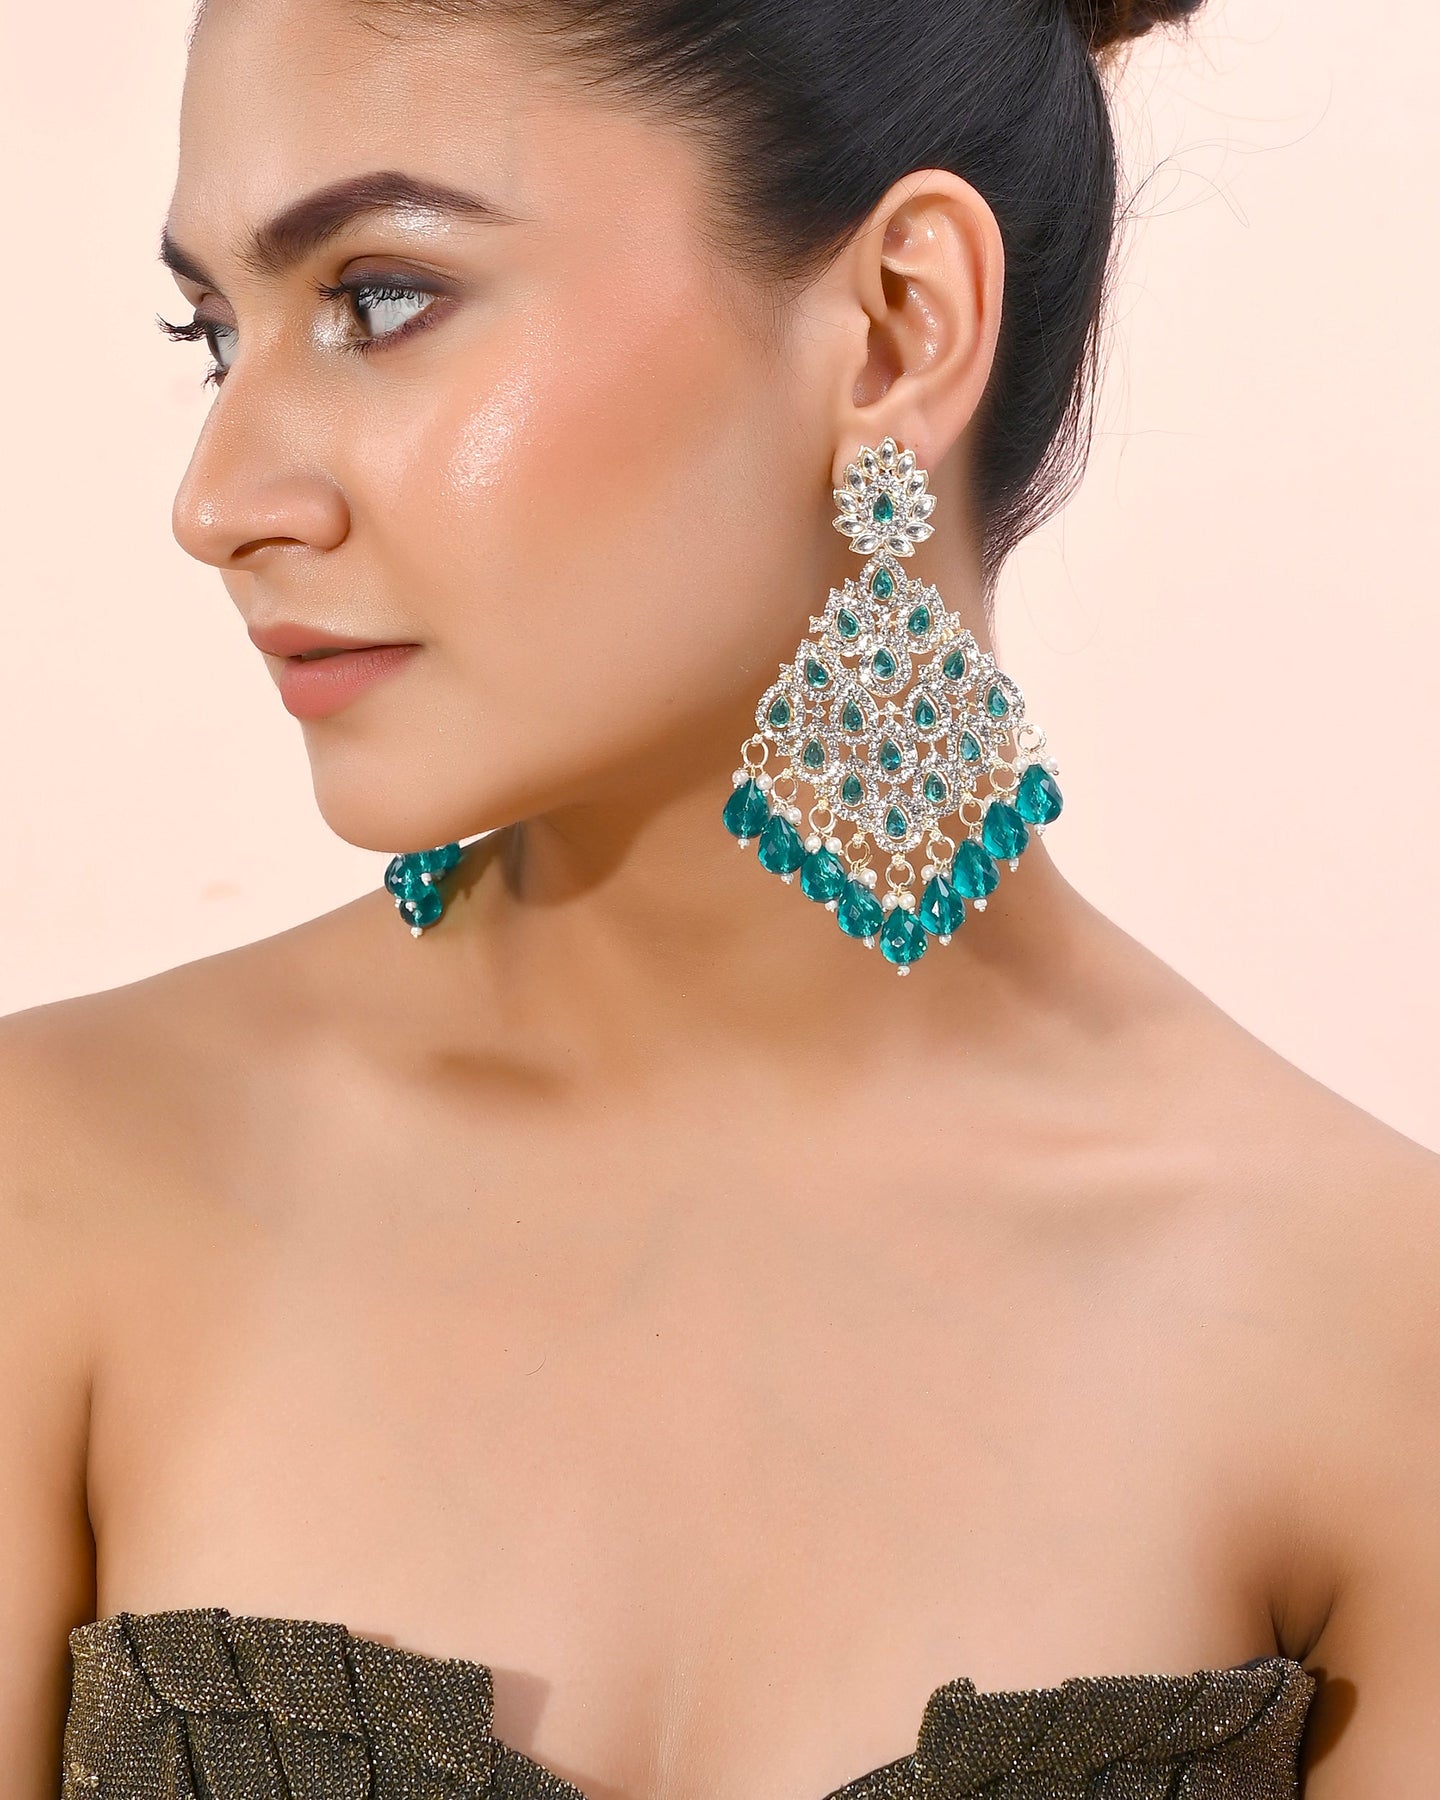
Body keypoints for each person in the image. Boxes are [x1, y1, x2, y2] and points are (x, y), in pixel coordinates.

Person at [3, 0, 1436, 1793]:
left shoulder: (1379, 1347)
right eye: (215, 331)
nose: (218, 501)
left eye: (380, 298)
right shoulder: (58, 1187)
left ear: (899, 324)